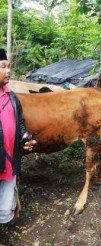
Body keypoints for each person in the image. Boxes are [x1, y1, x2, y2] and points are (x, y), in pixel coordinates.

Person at [0, 49, 35, 225]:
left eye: (8, 66)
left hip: (9, 162)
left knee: (4, 207)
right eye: (3, 67)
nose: (8, 71)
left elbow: (20, 123)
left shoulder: (12, 97)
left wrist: (25, 138)